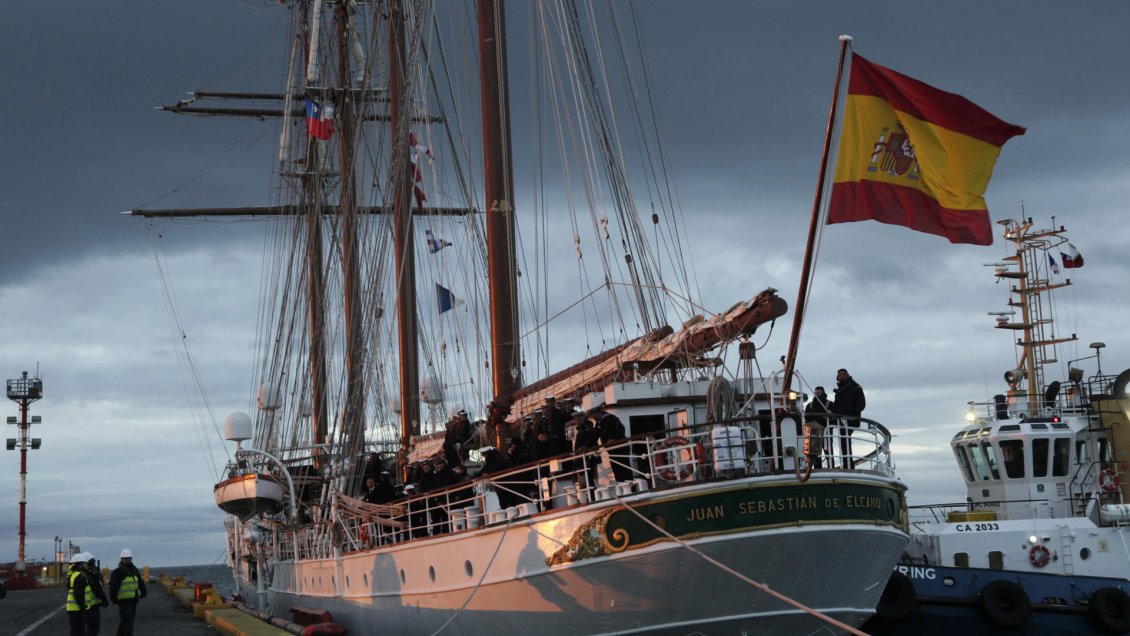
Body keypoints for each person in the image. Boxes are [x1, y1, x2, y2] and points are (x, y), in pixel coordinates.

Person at [831, 369, 866, 468]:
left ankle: (848, 464)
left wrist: (851, 414)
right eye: (840, 375)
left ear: (847, 375)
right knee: (844, 440)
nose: (841, 376)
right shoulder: (840, 390)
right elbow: (837, 405)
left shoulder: (856, 387)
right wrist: (833, 412)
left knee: (845, 439)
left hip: (851, 419)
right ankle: (847, 464)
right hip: (841, 419)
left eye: (843, 375)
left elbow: (861, 404)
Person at [109, 549, 147, 636]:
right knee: (127, 622)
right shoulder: (118, 572)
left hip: (133, 600)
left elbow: (139, 582)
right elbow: (113, 587)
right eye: (126, 558)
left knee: (128, 621)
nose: (128, 560)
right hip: (124, 601)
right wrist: (114, 599)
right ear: (121, 559)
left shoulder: (134, 570)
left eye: (129, 558)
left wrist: (143, 592)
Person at [592, 407, 631, 482]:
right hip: (611, 449)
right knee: (616, 469)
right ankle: (621, 487)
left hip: (621, 447)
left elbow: (621, 429)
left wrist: (614, 439)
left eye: (593, 415)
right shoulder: (599, 423)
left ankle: (631, 487)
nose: (592, 418)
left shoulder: (611, 418)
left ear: (597, 413)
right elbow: (595, 435)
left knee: (624, 467)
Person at [66, 552, 95, 636]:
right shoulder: (80, 576)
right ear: (80, 564)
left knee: (76, 630)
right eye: (85, 563)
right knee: (79, 631)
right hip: (77, 608)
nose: (87, 565)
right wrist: (83, 607)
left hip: (73, 608)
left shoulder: (75, 574)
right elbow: (78, 593)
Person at [805, 386, 832, 468]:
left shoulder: (829, 404)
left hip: (826, 430)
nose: (817, 395)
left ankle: (831, 467)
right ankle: (817, 468)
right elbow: (806, 418)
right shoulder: (809, 405)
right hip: (814, 431)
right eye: (815, 393)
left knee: (828, 451)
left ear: (823, 393)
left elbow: (833, 418)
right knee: (815, 452)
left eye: (819, 393)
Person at [83, 553, 109, 636]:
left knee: (91, 628)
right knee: (93, 628)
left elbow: (100, 585)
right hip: (90, 605)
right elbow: (98, 588)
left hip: (90, 604)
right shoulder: (89, 574)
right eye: (91, 562)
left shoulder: (91, 573)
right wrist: (104, 600)